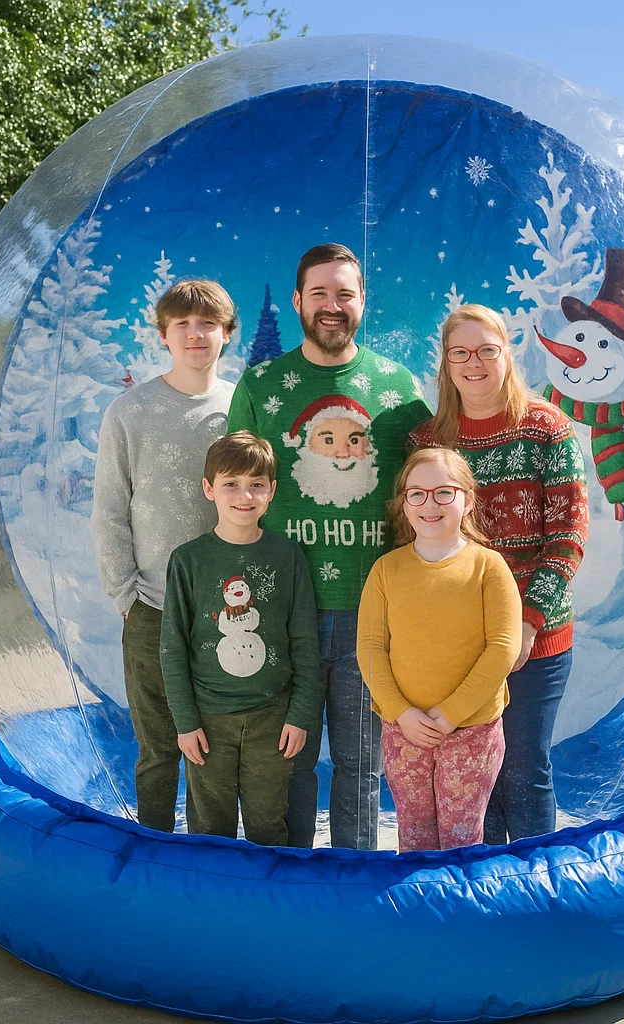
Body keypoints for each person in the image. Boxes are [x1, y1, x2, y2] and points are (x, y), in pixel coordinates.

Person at [226, 243, 429, 849]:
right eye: (319, 293)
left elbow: (431, 487)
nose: (332, 306)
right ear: (297, 301)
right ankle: (291, 887)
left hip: (371, 613)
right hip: (284, 611)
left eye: (345, 293)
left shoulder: (396, 387)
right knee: (286, 761)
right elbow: (233, 492)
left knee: (362, 765)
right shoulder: (262, 386)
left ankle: (354, 883)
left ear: (362, 302)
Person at [410, 304, 588, 843]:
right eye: (459, 352)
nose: (474, 362)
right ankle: (485, 892)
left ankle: (536, 890)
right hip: (460, 640)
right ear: (445, 363)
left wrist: (528, 623)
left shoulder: (546, 427)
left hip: (538, 638)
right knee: (473, 778)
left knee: (524, 769)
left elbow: (568, 538)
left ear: (507, 354)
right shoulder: (427, 440)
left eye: (487, 349)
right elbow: (417, 537)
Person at [91, 279, 237, 832]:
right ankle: (152, 855)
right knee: (157, 748)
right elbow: (110, 508)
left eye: (207, 324)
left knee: (215, 750)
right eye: (183, 324)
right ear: (164, 335)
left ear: (226, 334)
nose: (196, 334)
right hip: (152, 606)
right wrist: (125, 593)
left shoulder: (239, 406)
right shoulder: (130, 411)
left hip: (227, 609)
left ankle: (208, 863)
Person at [159, 432, 323, 845]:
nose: (244, 495)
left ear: (271, 491)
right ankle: (213, 906)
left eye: (256, 484)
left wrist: (300, 715)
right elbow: (173, 648)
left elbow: (305, 642)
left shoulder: (287, 557)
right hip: (208, 721)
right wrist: (186, 722)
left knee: (269, 823)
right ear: (209, 488)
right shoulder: (188, 560)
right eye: (231, 483)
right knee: (210, 827)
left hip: (272, 718)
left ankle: (271, 907)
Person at [356, 447, 522, 851]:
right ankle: (416, 912)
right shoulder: (386, 570)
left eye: (444, 492)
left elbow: (503, 648)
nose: (429, 504)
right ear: (404, 505)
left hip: (471, 731)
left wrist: (451, 714)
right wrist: (401, 713)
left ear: (467, 499)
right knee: (413, 836)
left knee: (461, 839)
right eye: (417, 494)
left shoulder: (489, 566)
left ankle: (461, 913)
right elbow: (371, 648)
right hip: (403, 731)